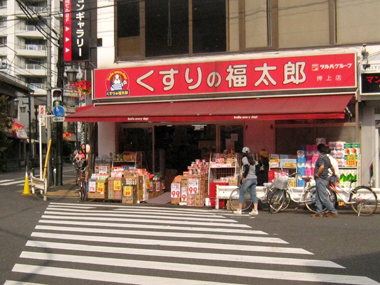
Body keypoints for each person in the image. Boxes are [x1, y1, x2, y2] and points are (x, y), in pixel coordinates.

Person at [311, 144, 338, 218]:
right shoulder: (326, 158)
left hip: (321, 178)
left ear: (319, 150)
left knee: (323, 196)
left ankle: (333, 211)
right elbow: (331, 167)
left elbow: (321, 167)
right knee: (318, 196)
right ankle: (319, 211)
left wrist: (317, 174)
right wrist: (334, 173)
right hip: (325, 178)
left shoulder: (321, 158)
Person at [234, 147, 259, 215]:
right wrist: (256, 174)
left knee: (242, 193)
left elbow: (247, 167)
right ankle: (255, 209)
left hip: (248, 179)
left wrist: (244, 177)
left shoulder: (244, 159)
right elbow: (258, 167)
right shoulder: (253, 159)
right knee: (253, 194)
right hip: (254, 179)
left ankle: (239, 209)